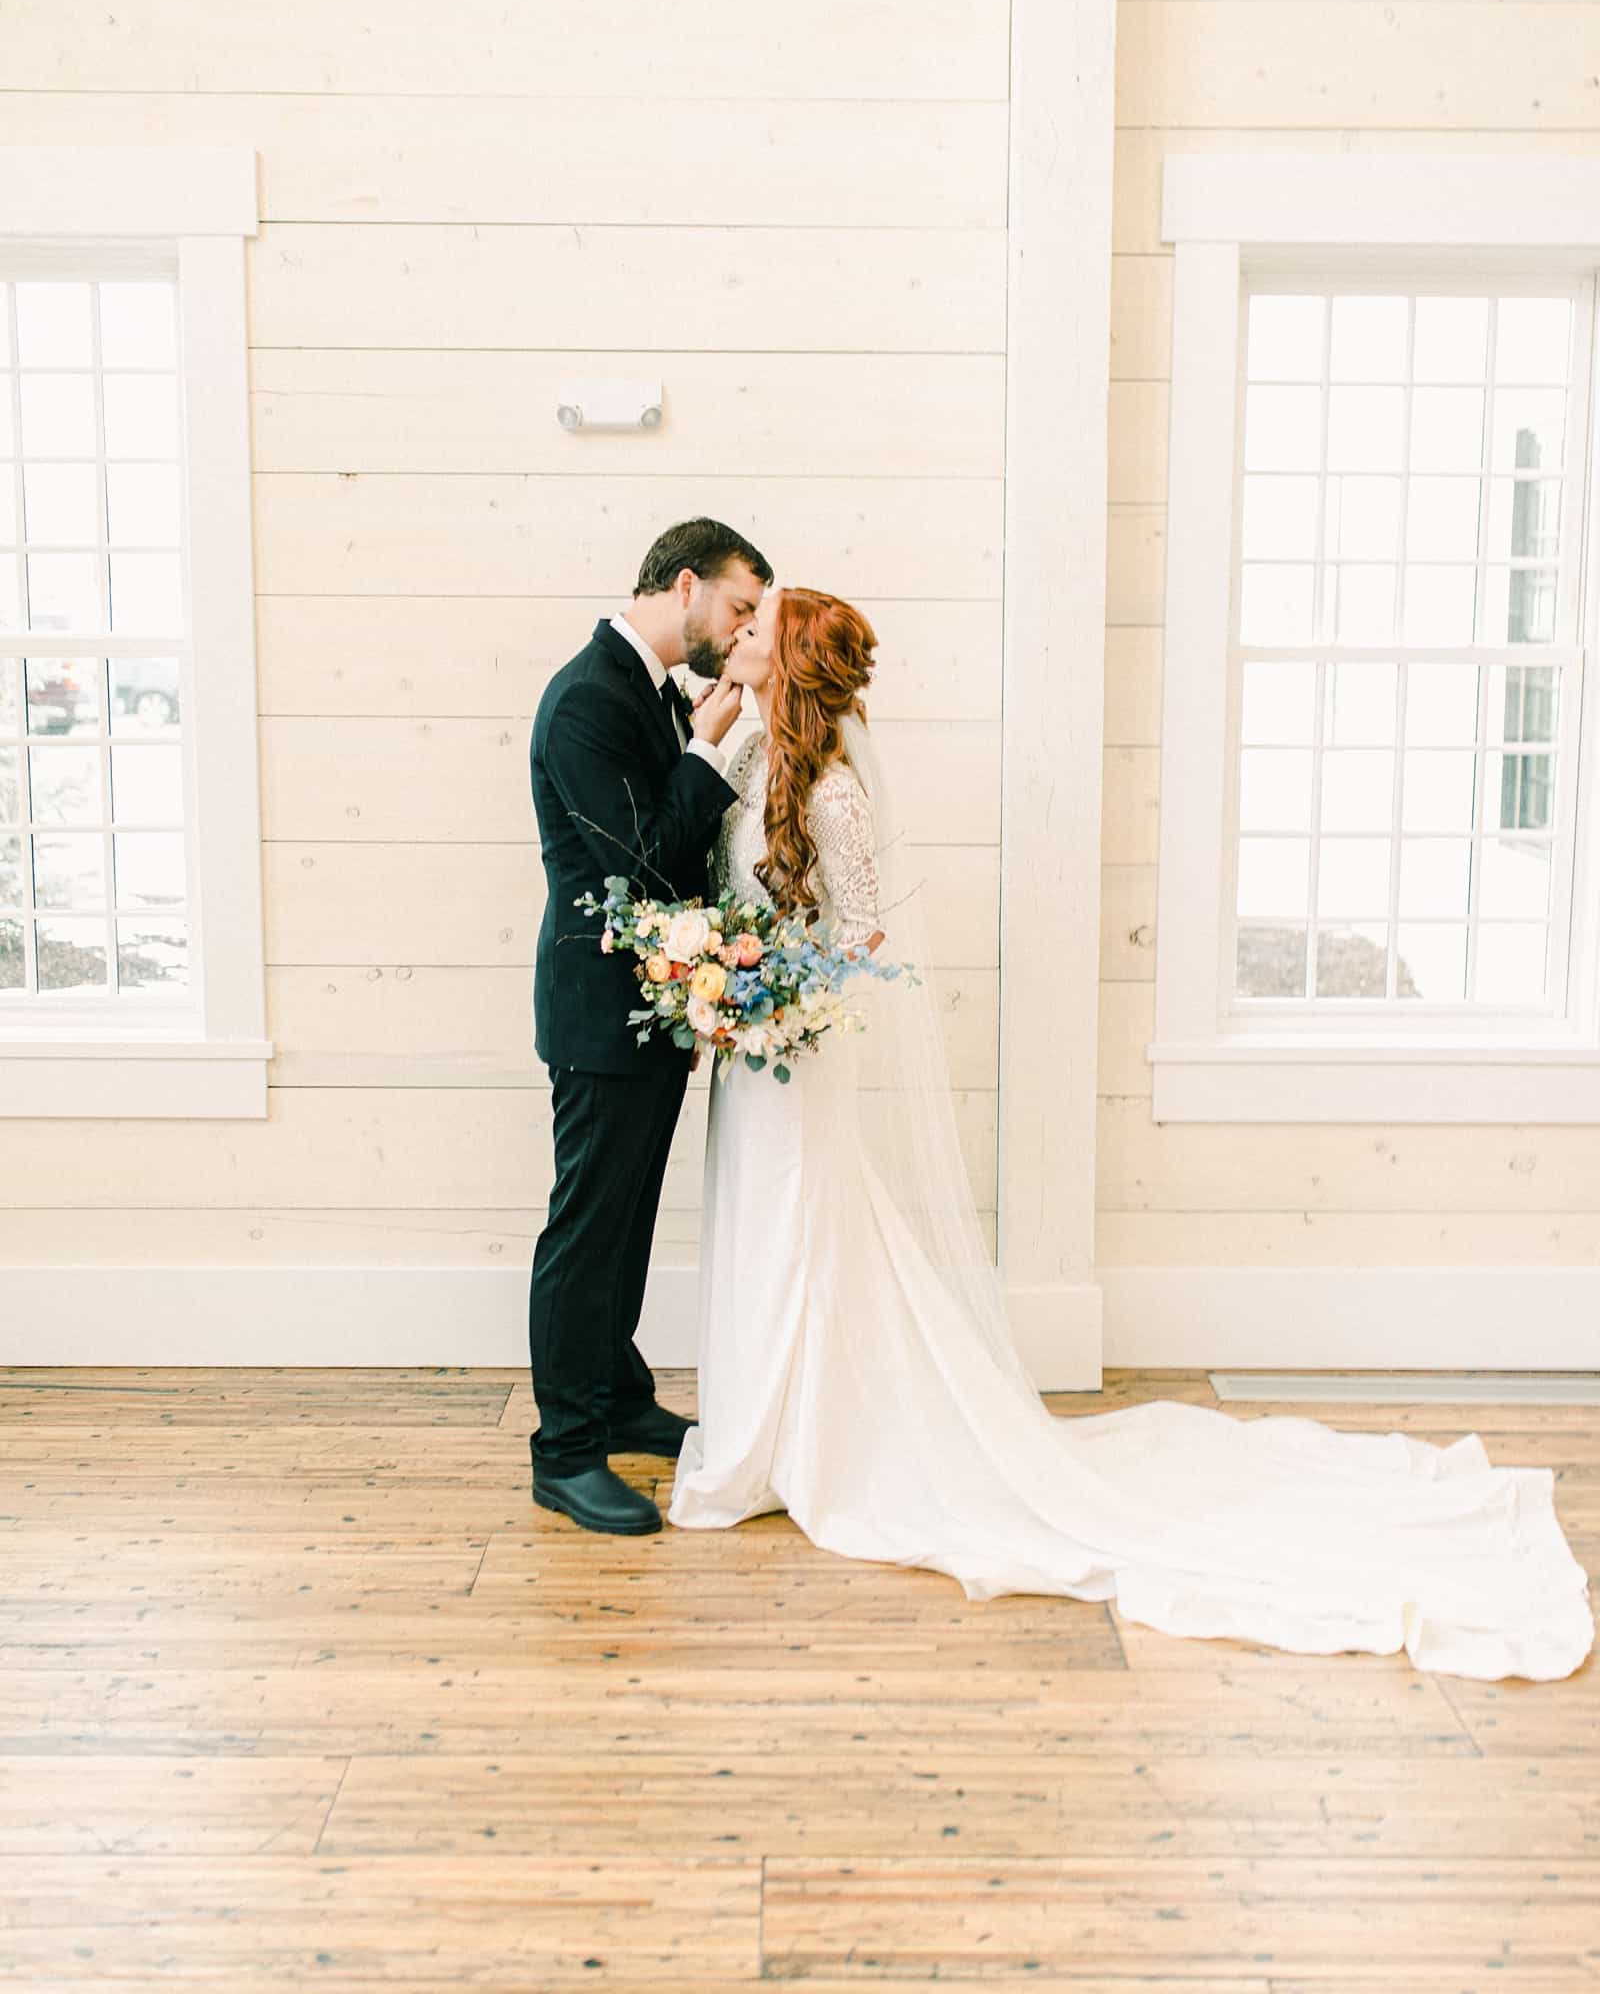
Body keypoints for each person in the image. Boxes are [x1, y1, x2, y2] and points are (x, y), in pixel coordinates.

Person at [668, 587, 1595, 1683]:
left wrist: (786, 993)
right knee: (759, 1228)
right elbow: (697, 852)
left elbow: (865, 932)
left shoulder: (833, 793)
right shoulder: (740, 761)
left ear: (793, 659)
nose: (738, 638)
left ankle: (812, 1441)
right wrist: (717, 968)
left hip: (800, 1054)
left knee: (802, 1232)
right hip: (748, 1061)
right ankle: (762, 1435)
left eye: (756, 629)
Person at [527, 518, 772, 1536]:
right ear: (685, 587)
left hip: (651, 1008)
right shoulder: (590, 696)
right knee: (587, 1229)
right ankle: (564, 1450)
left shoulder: (646, 690)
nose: (747, 629)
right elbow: (641, 864)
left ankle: (619, 1395)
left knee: (625, 1222)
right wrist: (710, 750)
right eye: (741, 607)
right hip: (599, 1010)